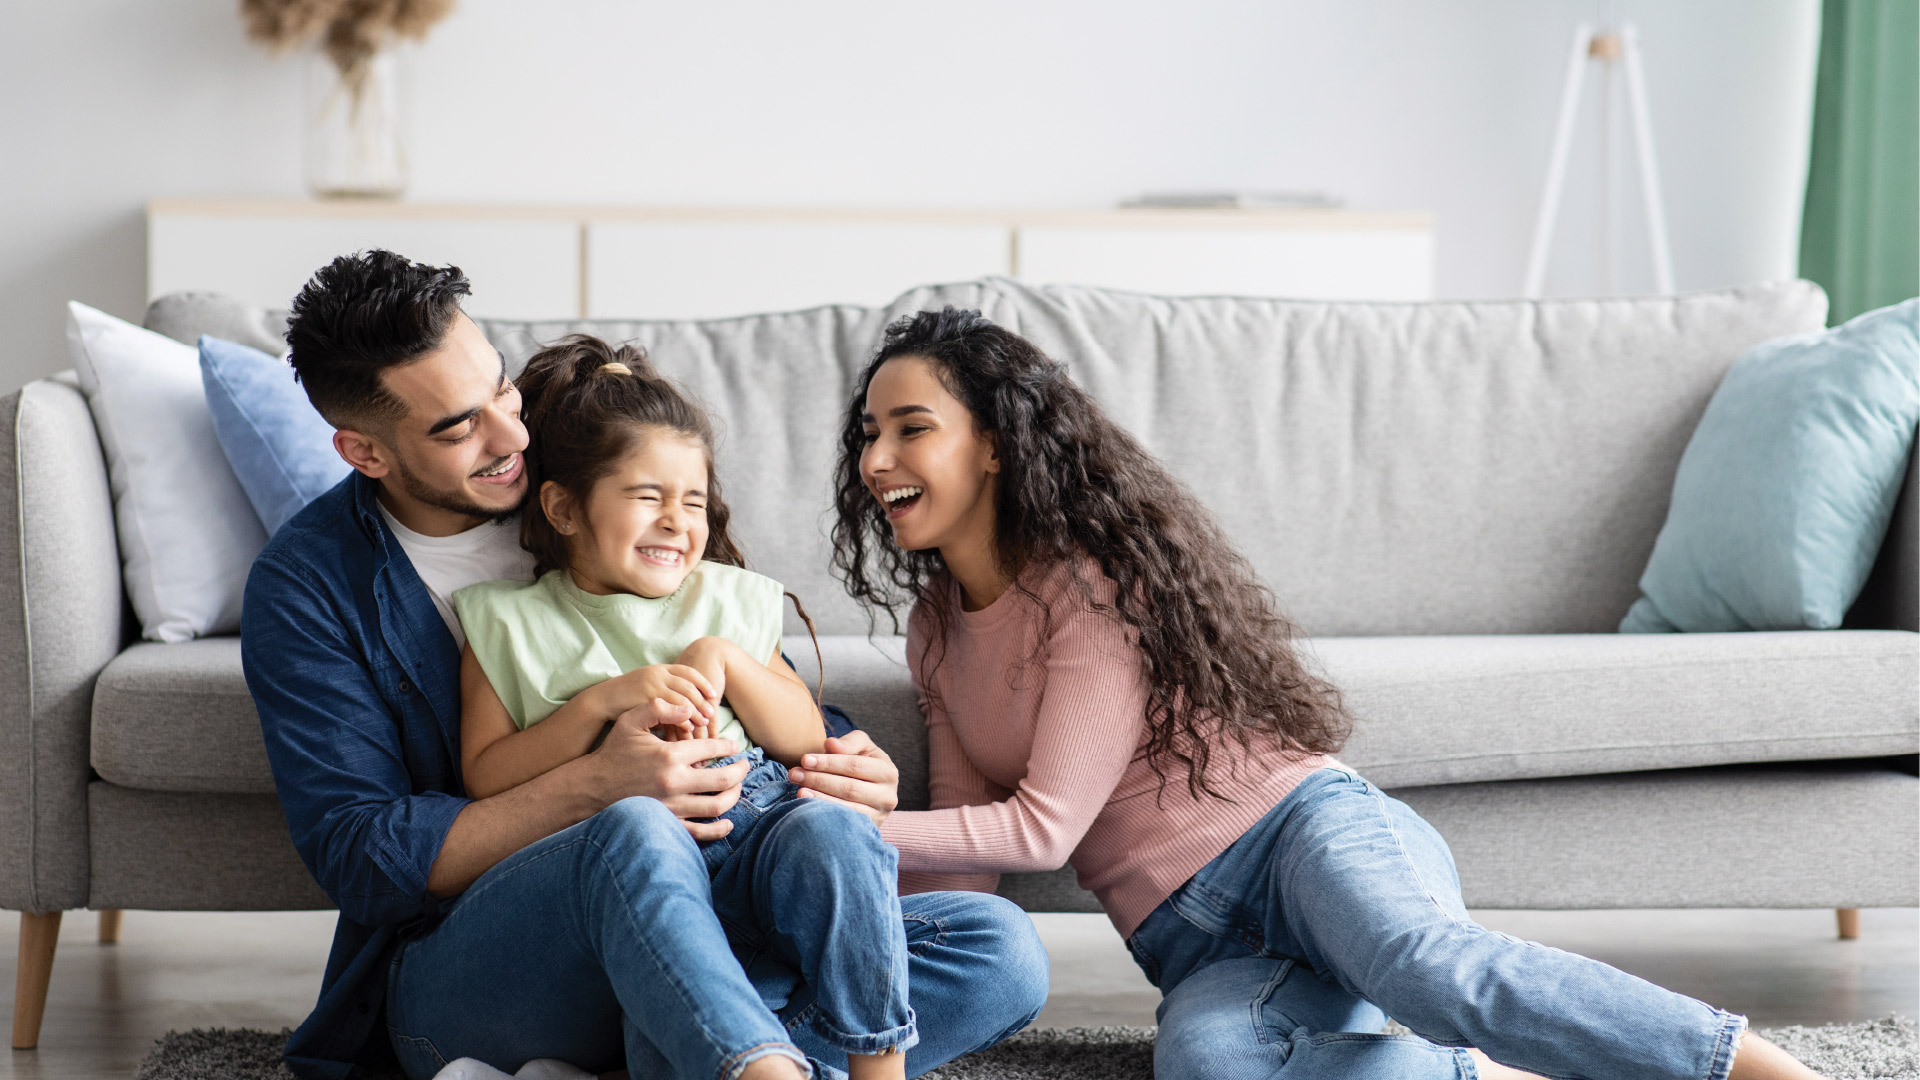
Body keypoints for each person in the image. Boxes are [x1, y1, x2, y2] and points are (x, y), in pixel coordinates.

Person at [814, 306, 1829, 1080]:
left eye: (911, 429)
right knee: (1207, 1064)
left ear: (993, 442)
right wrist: (834, 928)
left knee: (1425, 971)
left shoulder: (1084, 583)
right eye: (868, 434)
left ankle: (1747, 1067)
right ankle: (1473, 1070)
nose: (877, 460)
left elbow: (1035, 832)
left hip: (1299, 836)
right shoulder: (935, 631)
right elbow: (965, 864)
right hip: (1189, 939)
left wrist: (826, 825)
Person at [241, 253, 1047, 1080]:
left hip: (715, 913)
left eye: (503, 391)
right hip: (489, 968)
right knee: (635, 829)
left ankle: (685, 1050)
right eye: (457, 427)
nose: (512, 437)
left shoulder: (594, 468)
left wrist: (840, 762)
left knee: (998, 946)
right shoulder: (310, 587)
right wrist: (604, 782)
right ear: (363, 452)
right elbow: (368, 856)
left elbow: (734, 671)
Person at [450, 334, 914, 1080]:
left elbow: (802, 739)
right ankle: (757, 1057)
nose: (677, 521)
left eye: (692, 500)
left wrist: (725, 661)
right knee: (650, 881)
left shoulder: (725, 598)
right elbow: (486, 775)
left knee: (837, 830)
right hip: (638, 879)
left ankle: (874, 1067)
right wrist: (600, 705)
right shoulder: (507, 623)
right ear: (564, 508)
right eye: (647, 497)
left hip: (763, 836)